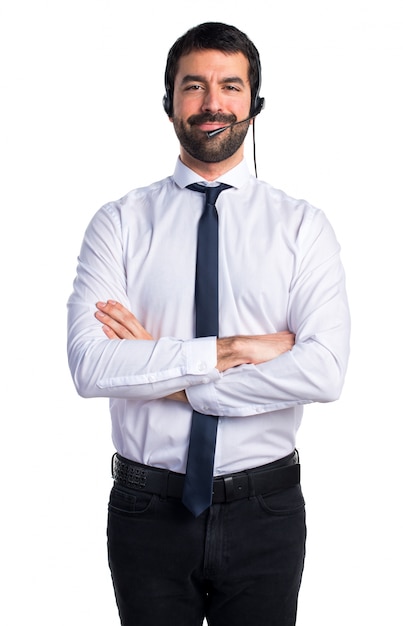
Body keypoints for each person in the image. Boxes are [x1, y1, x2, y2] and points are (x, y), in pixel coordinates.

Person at [67, 21, 350, 626]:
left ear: (255, 103)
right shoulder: (118, 224)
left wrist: (159, 365)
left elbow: (323, 372)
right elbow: (91, 367)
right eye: (193, 86)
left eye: (230, 85)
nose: (212, 103)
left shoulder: (303, 228)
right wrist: (236, 349)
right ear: (169, 101)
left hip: (265, 509)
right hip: (147, 508)